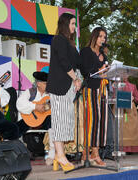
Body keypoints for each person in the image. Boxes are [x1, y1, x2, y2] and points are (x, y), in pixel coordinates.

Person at [46, 13, 81, 172]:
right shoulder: (59, 39)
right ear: (65, 24)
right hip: (59, 87)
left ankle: (59, 156)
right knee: (59, 121)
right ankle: (60, 155)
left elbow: (76, 64)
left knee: (65, 120)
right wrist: (75, 78)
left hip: (68, 89)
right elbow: (63, 61)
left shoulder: (71, 43)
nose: (74, 27)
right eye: (72, 23)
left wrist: (79, 79)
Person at [80, 27, 109, 166]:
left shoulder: (104, 54)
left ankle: (95, 152)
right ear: (94, 36)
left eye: (104, 37)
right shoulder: (86, 51)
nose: (103, 39)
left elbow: (105, 70)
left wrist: (107, 70)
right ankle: (86, 152)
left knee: (102, 121)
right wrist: (98, 70)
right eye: (101, 36)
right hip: (91, 88)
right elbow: (84, 70)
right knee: (92, 120)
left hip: (103, 90)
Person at [16, 71, 54, 165]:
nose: (48, 85)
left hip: (44, 121)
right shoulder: (30, 92)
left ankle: (52, 155)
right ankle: (18, 153)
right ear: (38, 84)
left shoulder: (51, 95)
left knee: (54, 123)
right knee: (14, 129)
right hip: (28, 120)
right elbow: (19, 104)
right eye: (46, 83)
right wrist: (35, 107)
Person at [122, 78, 138, 153]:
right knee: (120, 126)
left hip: (130, 108)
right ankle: (120, 147)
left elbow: (136, 98)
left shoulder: (133, 86)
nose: (124, 76)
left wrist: (133, 98)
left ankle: (132, 148)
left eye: (126, 74)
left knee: (132, 127)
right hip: (119, 107)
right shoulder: (115, 85)